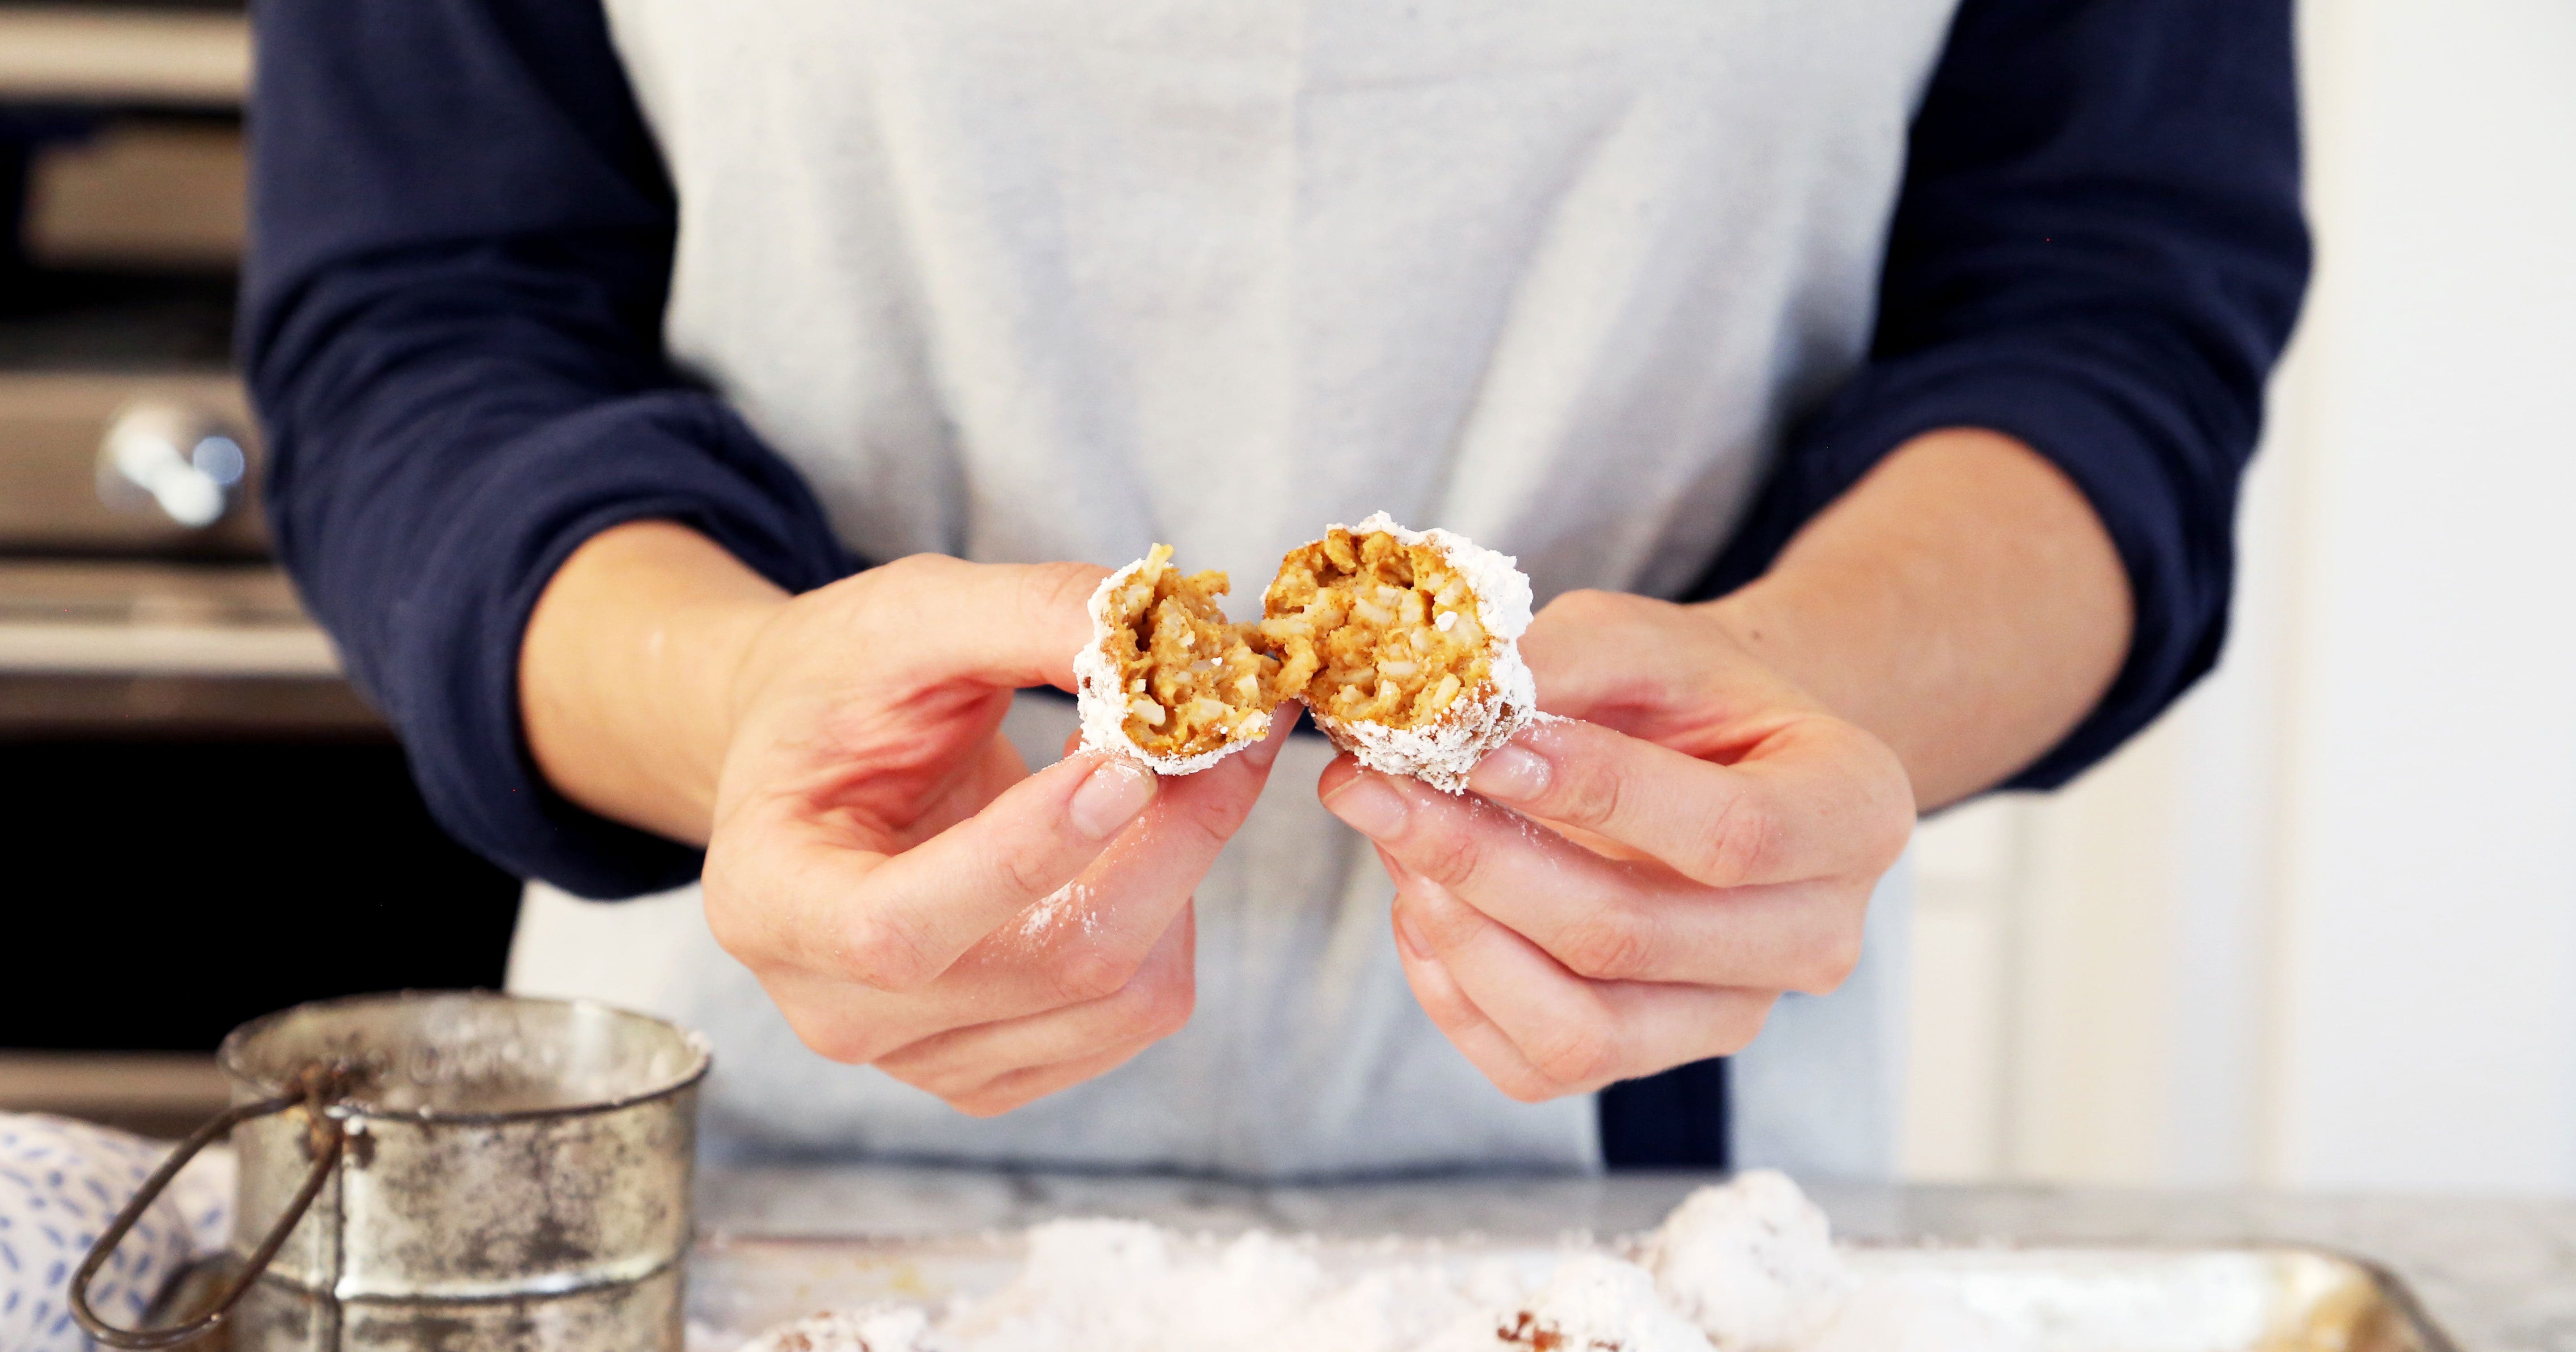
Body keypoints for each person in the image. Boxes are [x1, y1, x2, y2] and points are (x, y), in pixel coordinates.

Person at [245, 0, 2305, 1178]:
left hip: (1638, 1143)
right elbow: (428, 318)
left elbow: (2103, 304)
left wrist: (1799, 694)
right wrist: (727, 698)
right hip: (747, 1106)